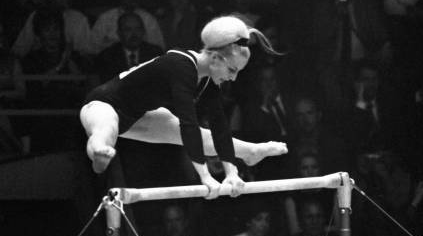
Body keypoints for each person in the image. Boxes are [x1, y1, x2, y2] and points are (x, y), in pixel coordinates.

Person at [80, 15, 287, 198]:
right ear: (215, 58)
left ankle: (250, 152)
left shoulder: (208, 79)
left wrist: (231, 174)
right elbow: (188, 125)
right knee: (106, 129)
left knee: (203, 134)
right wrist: (205, 177)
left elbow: (219, 127)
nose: (233, 78)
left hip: (139, 115)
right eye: (232, 69)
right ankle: (100, 152)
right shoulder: (182, 66)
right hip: (102, 105)